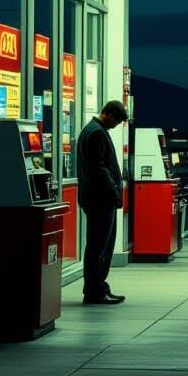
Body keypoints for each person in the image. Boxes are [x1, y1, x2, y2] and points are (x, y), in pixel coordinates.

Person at [76, 99, 129, 304]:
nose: (114, 126)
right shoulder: (97, 133)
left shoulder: (90, 130)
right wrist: (114, 191)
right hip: (101, 199)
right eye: (115, 122)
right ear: (109, 114)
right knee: (100, 246)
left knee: (98, 245)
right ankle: (95, 291)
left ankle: (98, 287)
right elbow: (99, 169)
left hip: (96, 197)